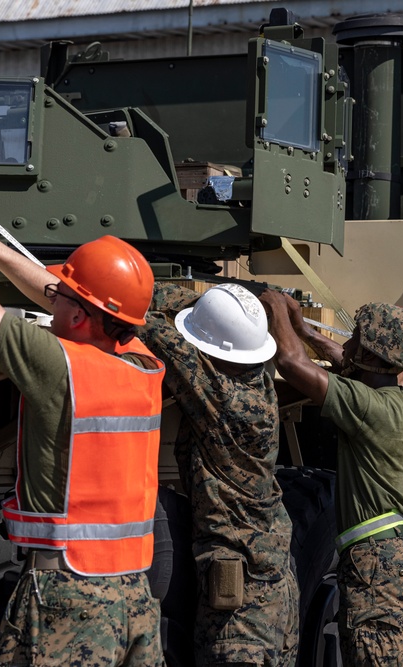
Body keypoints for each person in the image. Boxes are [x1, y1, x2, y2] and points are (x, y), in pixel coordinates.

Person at [0, 164, 166, 667]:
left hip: (69, 598)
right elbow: (60, 296)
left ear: (78, 316)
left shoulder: (58, 364)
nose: (51, 299)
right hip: (135, 597)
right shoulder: (143, 363)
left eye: (62, 296)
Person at [260, 291, 403, 666]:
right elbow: (343, 360)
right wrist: (304, 329)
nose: (345, 344)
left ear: (370, 357)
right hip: (395, 558)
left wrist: (275, 311)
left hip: (376, 565)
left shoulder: (369, 407)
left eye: (354, 339)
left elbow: (292, 364)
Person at [138, 282, 299, 666]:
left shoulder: (218, 394)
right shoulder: (258, 378)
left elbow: (140, 316)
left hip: (240, 602)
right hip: (275, 582)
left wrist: (202, 298)